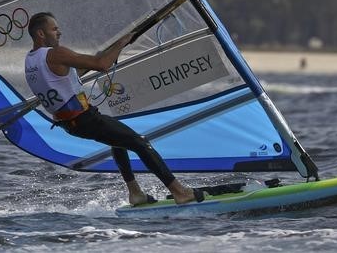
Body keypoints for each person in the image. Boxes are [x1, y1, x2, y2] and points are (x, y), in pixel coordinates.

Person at [24, 11, 205, 206]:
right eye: (54, 29)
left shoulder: (31, 60)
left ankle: (135, 193)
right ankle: (180, 192)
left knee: (118, 141)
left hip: (69, 123)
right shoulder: (56, 53)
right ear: (41, 34)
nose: (59, 32)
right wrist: (122, 42)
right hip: (84, 118)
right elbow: (102, 65)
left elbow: (66, 75)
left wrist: (102, 56)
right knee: (140, 143)